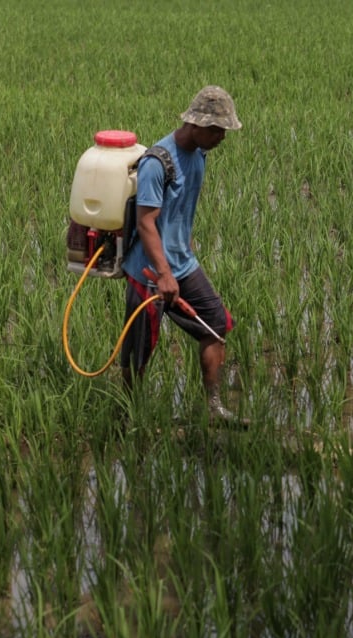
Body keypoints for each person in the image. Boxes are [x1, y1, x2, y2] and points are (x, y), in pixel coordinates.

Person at [119, 84, 243, 424]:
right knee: (138, 351)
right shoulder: (157, 163)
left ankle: (214, 408)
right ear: (196, 124)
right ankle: (128, 417)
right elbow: (146, 223)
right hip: (149, 269)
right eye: (217, 130)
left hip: (182, 265)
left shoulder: (199, 153)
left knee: (216, 325)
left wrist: (179, 259)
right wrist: (163, 273)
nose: (222, 138)